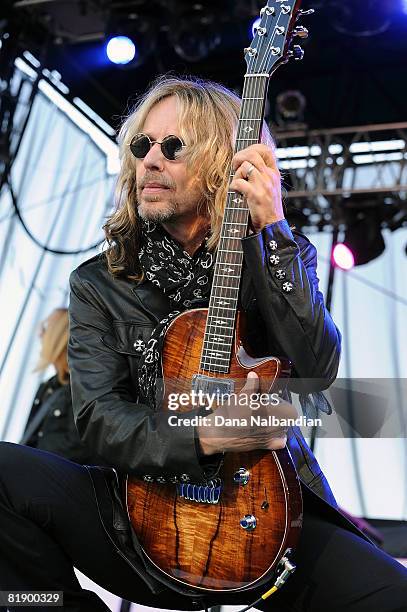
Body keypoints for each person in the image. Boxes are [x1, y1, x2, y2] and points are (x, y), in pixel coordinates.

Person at [0, 76, 406, 612]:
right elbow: (99, 418)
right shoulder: (99, 283)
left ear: (222, 163)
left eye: (173, 147)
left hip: (265, 511)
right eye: (141, 146)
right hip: (134, 513)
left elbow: (319, 365)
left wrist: (275, 230)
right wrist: (206, 435)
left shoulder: (277, 252)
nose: (150, 160)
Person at [20, 308, 94, 465]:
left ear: (59, 337)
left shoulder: (84, 385)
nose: (40, 334)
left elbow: (79, 448)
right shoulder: (47, 387)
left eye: (45, 328)